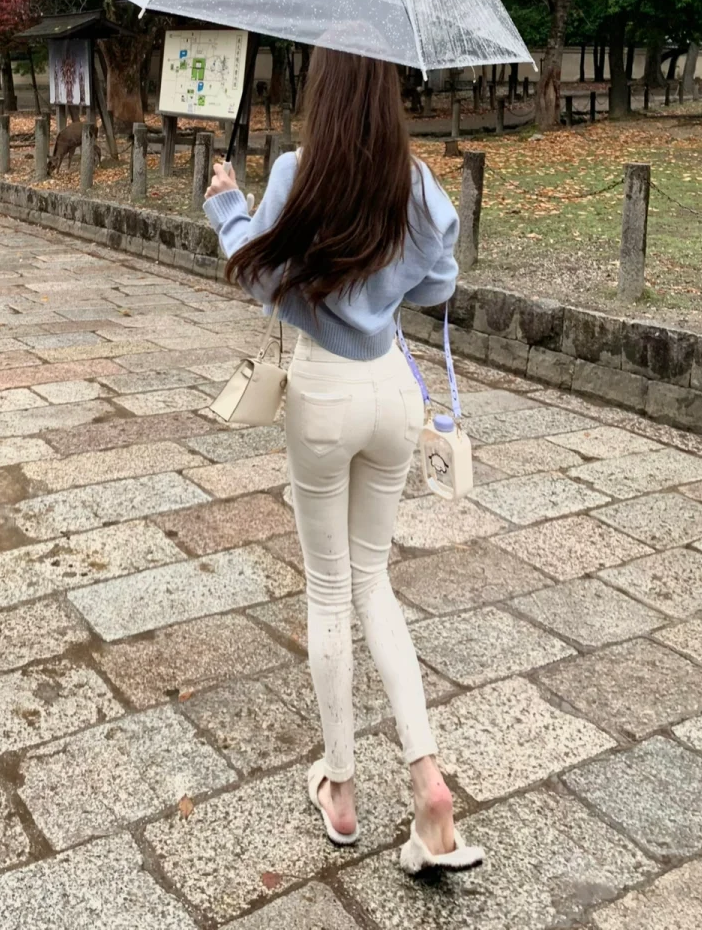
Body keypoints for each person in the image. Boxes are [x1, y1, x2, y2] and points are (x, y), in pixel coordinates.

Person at [204, 49, 483, 876]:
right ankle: (429, 785)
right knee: (376, 582)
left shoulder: (299, 169)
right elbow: (437, 288)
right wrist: (384, 271)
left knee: (331, 591)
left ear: (322, 91)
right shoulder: (420, 182)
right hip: (394, 393)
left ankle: (344, 787)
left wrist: (229, 208)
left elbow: (261, 278)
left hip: (324, 393)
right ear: (389, 92)